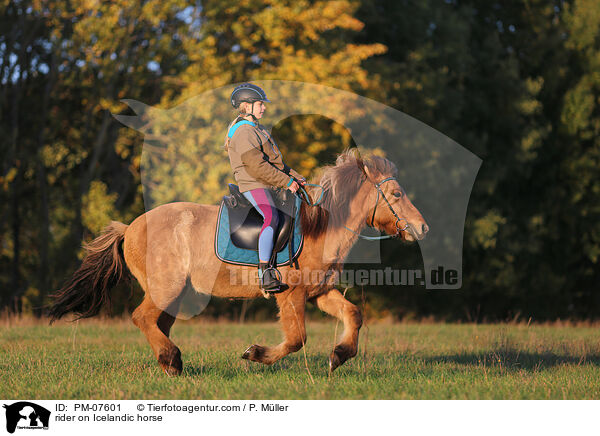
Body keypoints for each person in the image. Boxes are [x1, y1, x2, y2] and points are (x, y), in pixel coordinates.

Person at [224, 83, 306, 293]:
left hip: (266, 181)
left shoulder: (257, 130)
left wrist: (297, 177)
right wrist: (286, 182)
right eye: (260, 104)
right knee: (272, 217)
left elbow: (276, 164)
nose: (264, 108)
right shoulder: (243, 132)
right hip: (253, 183)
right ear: (246, 106)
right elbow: (258, 167)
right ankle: (264, 273)